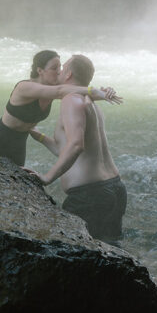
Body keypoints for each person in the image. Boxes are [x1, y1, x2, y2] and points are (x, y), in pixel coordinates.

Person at [30, 54, 127, 243]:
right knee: (111, 256)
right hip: (114, 188)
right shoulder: (89, 102)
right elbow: (67, 152)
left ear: (69, 74)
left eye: (62, 67)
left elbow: (76, 145)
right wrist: (39, 137)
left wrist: (47, 177)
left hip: (90, 196)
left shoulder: (71, 100)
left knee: (72, 253)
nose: (58, 71)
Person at [0, 49, 121, 167]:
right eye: (54, 68)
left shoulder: (54, 87)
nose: (59, 72)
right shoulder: (25, 87)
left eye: (60, 67)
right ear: (40, 71)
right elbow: (63, 91)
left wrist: (105, 91)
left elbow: (77, 90)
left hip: (20, 141)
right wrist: (93, 91)